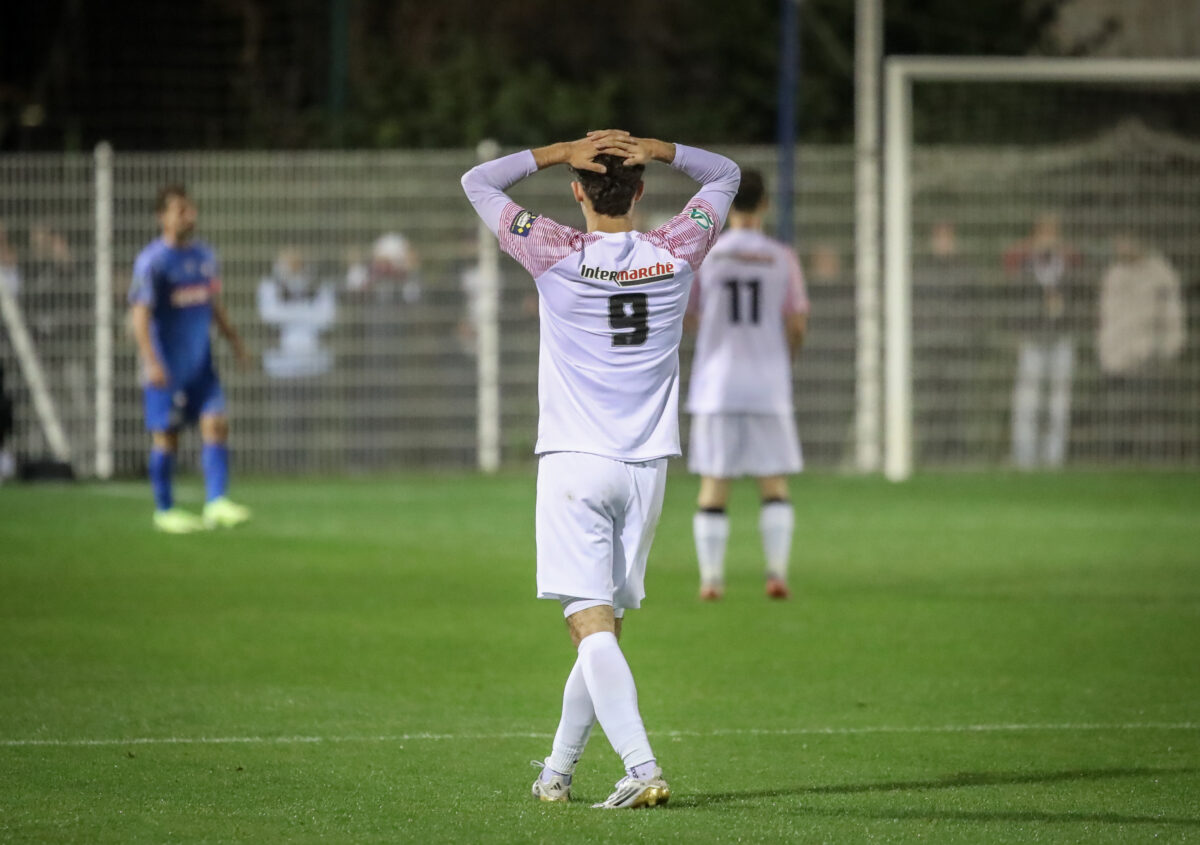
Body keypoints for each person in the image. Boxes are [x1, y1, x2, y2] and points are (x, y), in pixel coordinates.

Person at [461, 130, 739, 809]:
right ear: (640, 191)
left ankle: (643, 766)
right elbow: (726, 173)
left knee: (589, 626)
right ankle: (557, 769)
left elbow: (479, 183)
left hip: (575, 464)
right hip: (646, 468)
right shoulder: (677, 249)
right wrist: (660, 146)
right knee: (602, 629)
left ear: (579, 191)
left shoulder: (554, 251)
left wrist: (559, 152)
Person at [684, 169, 809, 601]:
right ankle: (775, 573)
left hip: (716, 384)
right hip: (767, 383)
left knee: (714, 483)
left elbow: (688, 314)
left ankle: (712, 579)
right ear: (765, 205)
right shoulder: (781, 256)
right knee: (773, 483)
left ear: (727, 207)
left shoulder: (708, 255)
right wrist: (786, 356)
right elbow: (796, 320)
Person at [128, 184, 251, 532]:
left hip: (201, 363)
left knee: (216, 424)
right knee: (167, 435)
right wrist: (151, 361)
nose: (189, 216)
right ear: (162, 217)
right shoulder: (153, 261)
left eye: (191, 209)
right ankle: (165, 510)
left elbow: (214, 305)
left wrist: (235, 343)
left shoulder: (205, 257)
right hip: (166, 366)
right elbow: (140, 315)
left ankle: (216, 502)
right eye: (181, 210)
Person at [1002, 212, 1082, 469]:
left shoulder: (1067, 262)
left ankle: (1053, 459)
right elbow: (1008, 262)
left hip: (1061, 337)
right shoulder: (1025, 261)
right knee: (1027, 401)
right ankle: (1024, 459)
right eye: (1043, 231)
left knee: (1059, 402)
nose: (1048, 238)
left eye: (1053, 231)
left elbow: (1083, 280)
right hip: (1032, 338)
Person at [1096, 232, 1185, 458]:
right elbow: (1106, 317)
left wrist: (1169, 348)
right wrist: (1105, 351)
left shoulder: (1160, 272)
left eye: (1124, 240)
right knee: (1117, 413)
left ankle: (1152, 461)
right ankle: (1117, 463)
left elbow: (1173, 315)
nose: (1120, 246)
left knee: (1149, 414)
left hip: (1147, 354)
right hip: (1115, 357)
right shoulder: (1114, 274)